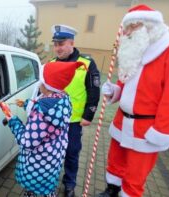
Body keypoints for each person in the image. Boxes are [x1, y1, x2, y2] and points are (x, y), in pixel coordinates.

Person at [98, 4, 169, 197]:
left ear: (146, 25)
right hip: (121, 120)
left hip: (146, 127)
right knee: (115, 162)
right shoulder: (137, 46)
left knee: (135, 176)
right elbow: (126, 78)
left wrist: (161, 131)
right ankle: (112, 189)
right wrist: (115, 89)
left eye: (130, 27)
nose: (125, 33)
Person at [6, 61, 85, 197]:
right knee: (46, 188)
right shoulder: (63, 99)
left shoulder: (41, 111)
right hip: (52, 159)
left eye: (41, 80)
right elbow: (45, 108)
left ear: (47, 85)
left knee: (38, 190)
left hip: (38, 163)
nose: (38, 83)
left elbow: (27, 142)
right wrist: (26, 104)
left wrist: (13, 121)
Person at [50, 24, 101, 197]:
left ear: (71, 43)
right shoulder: (50, 64)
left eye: (61, 43)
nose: (57, 48)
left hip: (73, 121)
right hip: (52, 121)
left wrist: (89, 115)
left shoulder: (86, 63)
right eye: (55, 44)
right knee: (51, 154)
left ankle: (69, 184)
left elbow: (93, 91)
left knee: (71, 154)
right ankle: (50, 181)